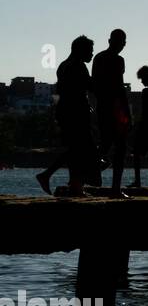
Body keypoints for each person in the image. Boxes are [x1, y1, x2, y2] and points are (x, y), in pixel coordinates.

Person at [36, 36, 96, 197]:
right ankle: (50, 175)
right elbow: (90, 87)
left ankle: (75, 186)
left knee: (75, 150)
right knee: (79, 149)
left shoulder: (63, 65)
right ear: (81, 50)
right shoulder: (78, 66)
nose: (91, 54)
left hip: (65, 111)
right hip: (76, 113)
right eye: (90, 51)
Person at [91, 28, 132, 197]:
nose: (121, 46)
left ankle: (87, 174)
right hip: (114, 107)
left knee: (106, 144)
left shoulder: (98, 58)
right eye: (121, 42)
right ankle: (115, 188)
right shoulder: (118, 60)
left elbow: (94, 84)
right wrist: (127, 113)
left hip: (102, 106)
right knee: (120, 147)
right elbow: (119, 88)